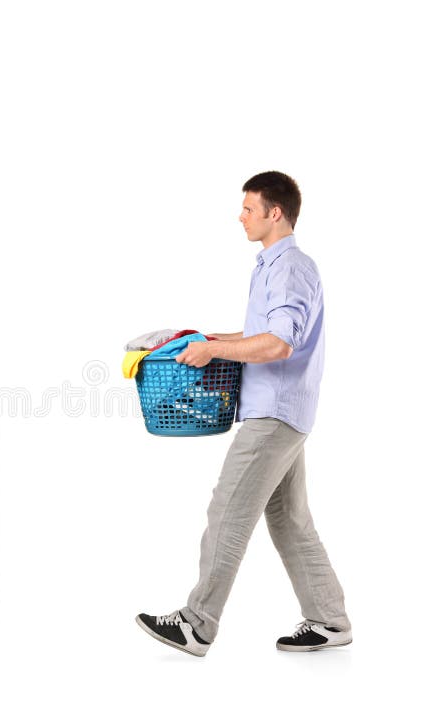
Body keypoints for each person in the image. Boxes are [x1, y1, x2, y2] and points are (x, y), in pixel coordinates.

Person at [136, 171, 352, 656]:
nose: (241, 216)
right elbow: (262, 334)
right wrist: (207, 339)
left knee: (228, 509)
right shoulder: (273, 265)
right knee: (289, 520)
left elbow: (278, 344)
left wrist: (214, 350)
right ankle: (330, 620)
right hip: (283, 410)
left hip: (274, 412)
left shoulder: (290, 267)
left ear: (275, 213)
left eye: (249, 208)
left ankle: (197, 624)